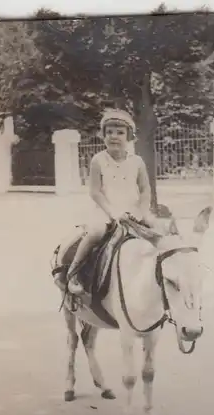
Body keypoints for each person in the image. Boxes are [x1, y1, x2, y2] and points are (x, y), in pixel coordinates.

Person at [67, 109, 154, 295]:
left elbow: (146, 190)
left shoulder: (137, 162)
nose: (114, 137)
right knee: (95, 232)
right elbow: (95, 192)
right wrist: (113, 213)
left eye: (120, 133)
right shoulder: (98, 160)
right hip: (106, 210)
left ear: (129, 137)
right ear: (103, 135)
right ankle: (73, 272)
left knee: (158, 230)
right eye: (109, 132)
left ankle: (162, 275)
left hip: (132, 211)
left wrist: (140, 211)